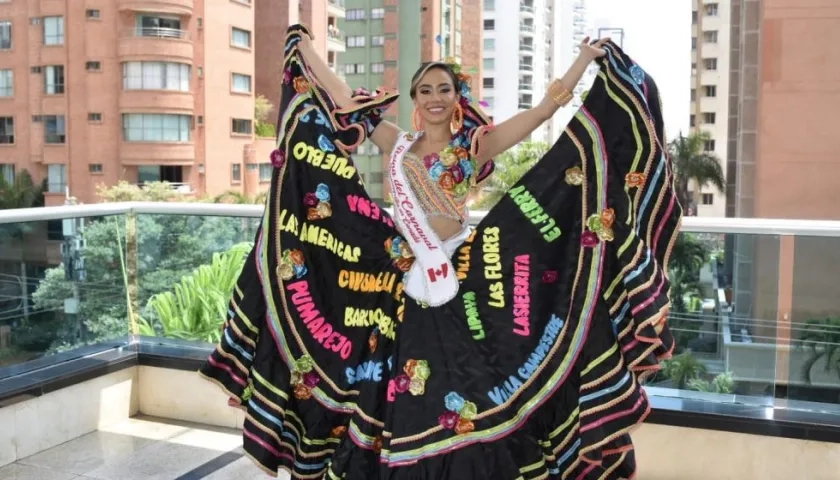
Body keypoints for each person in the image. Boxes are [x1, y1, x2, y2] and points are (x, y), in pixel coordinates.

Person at [200, 24, 680, 480]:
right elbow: (345, 99)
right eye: (425, 90)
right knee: (391, 388)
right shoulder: (397, 145)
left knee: (468, 386)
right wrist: (304, 49)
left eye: (443, 89)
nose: (434, 98)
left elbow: (542, 113)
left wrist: (582, 61)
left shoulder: (474, 148)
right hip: (400, 275)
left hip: (460, 272)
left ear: (457, 98)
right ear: (414, 99)